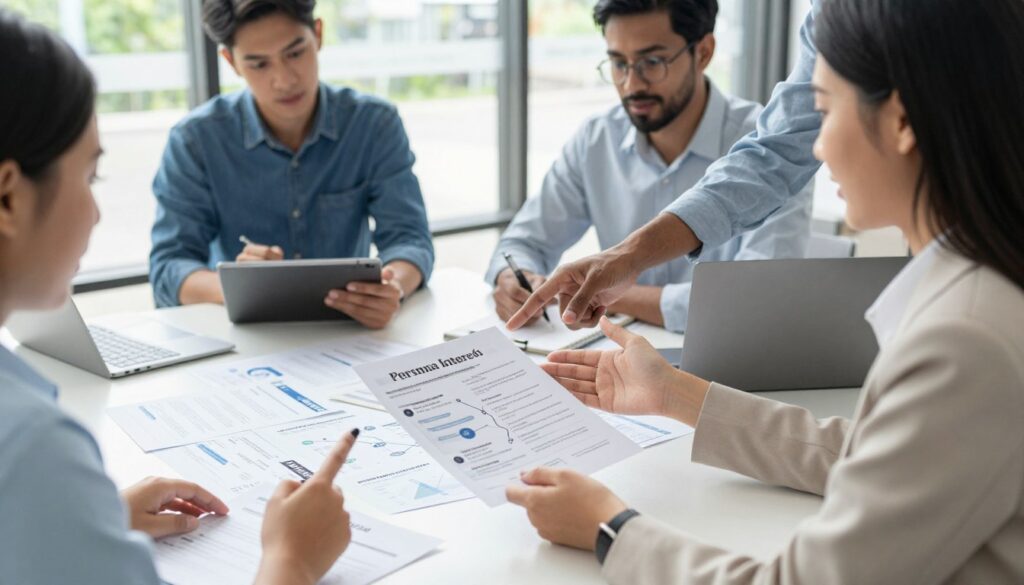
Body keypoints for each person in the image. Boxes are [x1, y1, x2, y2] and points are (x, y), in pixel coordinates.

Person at [506, 0, 1024, 582]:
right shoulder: (980, 295)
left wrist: (610, 529)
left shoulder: (964, 341)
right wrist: (675, 395)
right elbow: (876, 456)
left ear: (902, 122)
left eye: (824, 113)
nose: (815, 148)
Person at [0, 10, 359, 583]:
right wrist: (292, 559)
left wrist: (83, 519)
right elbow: (169, 264)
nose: (94, 214)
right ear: (9, 199)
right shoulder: (32, 448)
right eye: (87, 178)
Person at [487, 0, 809, 333]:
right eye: (618, 64)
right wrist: (512, 276)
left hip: (721, 369)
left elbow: (755, 302)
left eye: (652, 62)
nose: (632, 84)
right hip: (615, 362)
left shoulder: (776, 151)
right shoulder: (597, 139)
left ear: (703, 52)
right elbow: (522, 242)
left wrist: (601, 289)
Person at [149, 0, 434, 329]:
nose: (283, 80)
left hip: (349, 331)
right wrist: (238, 287)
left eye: (295, 53)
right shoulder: (195, 140)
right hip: (240, 340)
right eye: (259, 65)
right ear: (232, 62)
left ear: (318, 34)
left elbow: (410, 239)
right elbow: (169, 266)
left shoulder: (374, 124)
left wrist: (392, 287)